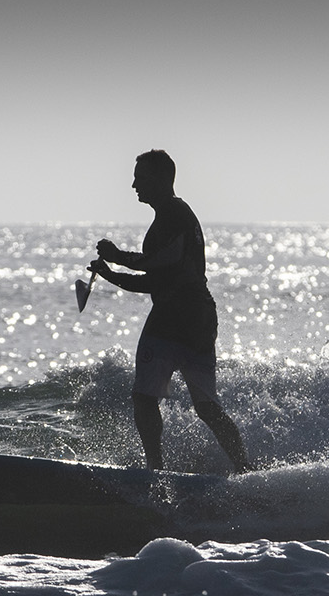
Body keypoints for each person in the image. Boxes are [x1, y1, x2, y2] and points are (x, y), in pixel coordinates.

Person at [88, 150, 253, 474]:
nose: (134, 184)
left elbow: (161, 264)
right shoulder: (168, 216)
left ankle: (161, 469)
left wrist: (117, 256)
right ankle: (239, 469)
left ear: (164, 179)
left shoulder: (175, 213)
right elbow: (157, 280)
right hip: (191, 317)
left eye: (142, 176)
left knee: (158, 400)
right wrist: (109, 274)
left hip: (182, 320)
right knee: (189, 405)